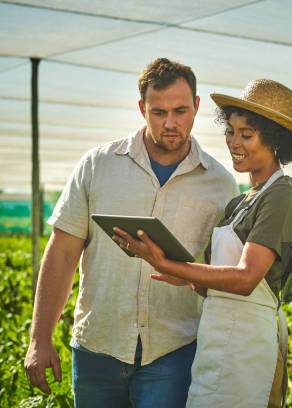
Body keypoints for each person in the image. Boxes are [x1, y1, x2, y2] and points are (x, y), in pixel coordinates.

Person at [24, 58, 238, 407]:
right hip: (98, 346)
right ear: (142, 108)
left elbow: (223, 272)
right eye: (158, 112)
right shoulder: (98, 165)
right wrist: (39, 339)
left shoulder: (220, 184)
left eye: (181, 110)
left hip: (174, 351)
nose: (171, 122)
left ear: (197, 106)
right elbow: (62, 252)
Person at [113, 78, 292, 407]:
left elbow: (248, 278)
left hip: (247, 345)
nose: (234, 142)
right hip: (216, 339)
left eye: (246, 135)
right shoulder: (240, 203)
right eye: (230, 131)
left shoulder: (283, 197)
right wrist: (187, 278)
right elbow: (215, 283)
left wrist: (171, 264)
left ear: (277, 142)